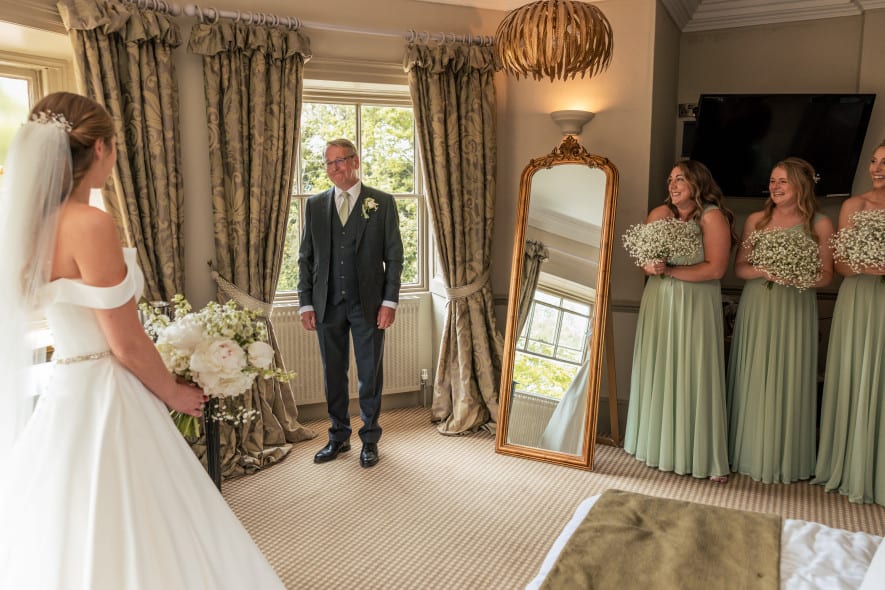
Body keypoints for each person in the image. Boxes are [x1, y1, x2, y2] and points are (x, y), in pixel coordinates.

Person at [0, 92, 285, 589]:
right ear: (101, 148)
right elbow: (125, 342)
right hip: (107, 388)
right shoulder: (90, 223)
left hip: (66, 388)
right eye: (114, 148)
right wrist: (175, 393)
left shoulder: (28, 227)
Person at [623, 160, 736, 482]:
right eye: (670, 179)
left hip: (695, 302)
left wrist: (671, 271)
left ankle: (700, 455)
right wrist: (650, 267)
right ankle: (654, 446)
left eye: (680, 179)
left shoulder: (712, 216)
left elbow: (716, 268)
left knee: (693, 369)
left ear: (697, 183)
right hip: (659, 299)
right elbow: (643, 260)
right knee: (658, 366)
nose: (672, 186)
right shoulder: (659, 214)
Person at [727, 157, 834, 484]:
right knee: (754, 373)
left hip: (795, 308)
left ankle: (785, 457)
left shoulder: (820, 224)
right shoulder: (756, 220)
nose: (775, 187)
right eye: (772, 181)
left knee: (790, 375)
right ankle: (746, 453)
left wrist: (795, 276)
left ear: (801, 185)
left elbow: (826, 275)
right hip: (757, 306)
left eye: (782, 181)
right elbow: (740, 268)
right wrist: (766, 271)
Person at [298, 138, 404, 468]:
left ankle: (370, 438)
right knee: (333, 374)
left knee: (369, 374)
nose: (334, 168)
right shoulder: (315, 205)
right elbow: (305, 258)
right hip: (327, 304)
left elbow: (394, 257)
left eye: (340, 161)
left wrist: (389, 301)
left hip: (369, 304)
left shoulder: (382, 202)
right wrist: (305, 303)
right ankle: (338, 436)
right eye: (329, 163)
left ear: (355, 162)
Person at [814, 139, 885, 505]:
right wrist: (874, 266)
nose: (877, 169)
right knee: (857, 374)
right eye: (874, 161)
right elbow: (840, 264)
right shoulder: (853, 205)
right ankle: (850, 465)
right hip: (858, 299)